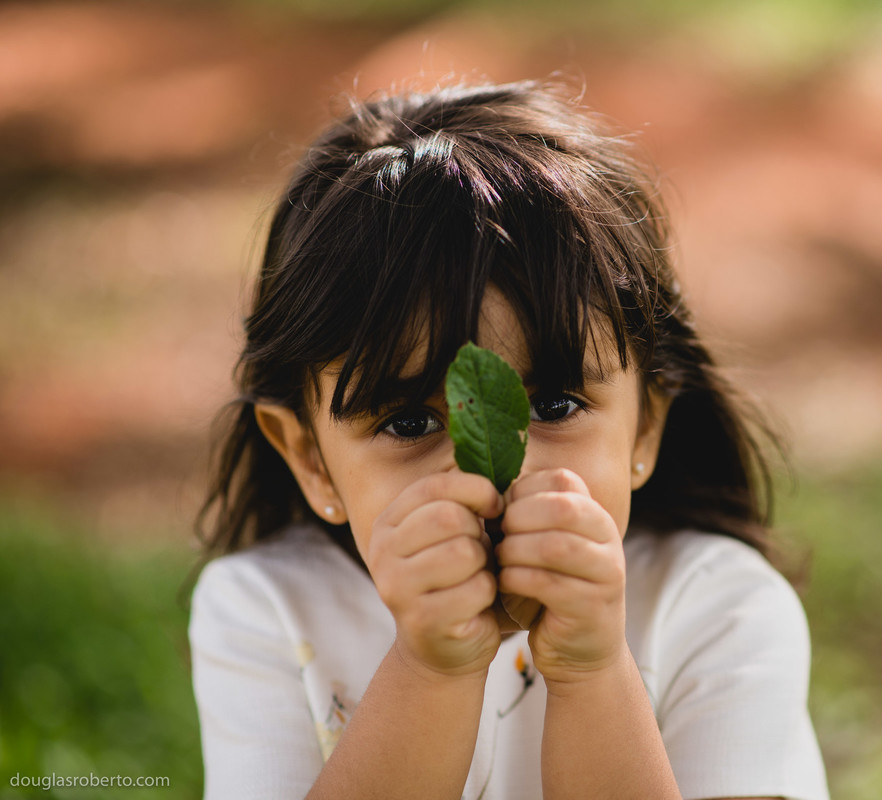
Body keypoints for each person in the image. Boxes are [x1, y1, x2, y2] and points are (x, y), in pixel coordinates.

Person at [188, 78, 828, 800]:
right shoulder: (263, 611)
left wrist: (592, 674)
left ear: (645, 422)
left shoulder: (719, 606)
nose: (486, 474)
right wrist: (429, 673)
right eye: (407, 423)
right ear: (311, 460)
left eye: (556, 403)